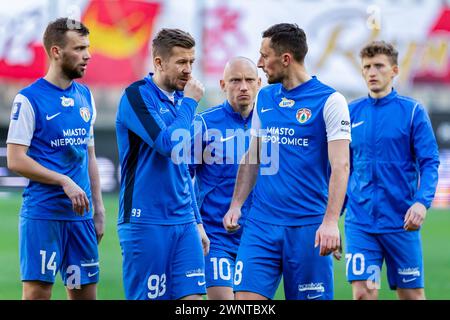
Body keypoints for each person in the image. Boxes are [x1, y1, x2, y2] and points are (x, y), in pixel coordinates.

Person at [223, 23, 351, 300]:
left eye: (264, 56)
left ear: (285, 59)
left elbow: (341, 167)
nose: (259, 64)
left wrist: (330, 222)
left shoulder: (331, 101)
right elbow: (252, 156)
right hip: (260, 224)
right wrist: (236, 204)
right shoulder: (265, 97)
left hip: (308, 228)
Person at [6, 17, 105, 300]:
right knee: (38, 293)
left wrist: (98, 209)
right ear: (56, 52)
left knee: (84, 294)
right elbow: (15, 160)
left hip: (81, 218)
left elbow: (90, 155)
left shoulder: (85, 96)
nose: (88, 55)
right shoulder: (29, 99)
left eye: (88, 47)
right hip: (44, 214)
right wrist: (63, 180)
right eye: (79, 48)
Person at [116, 28, 209, 300]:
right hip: (146, 220)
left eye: (192, 62)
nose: (188, 70)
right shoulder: (137, 96)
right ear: (158, 62)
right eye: (181, 62)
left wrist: (197, 221)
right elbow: (168, 145)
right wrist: (191, 104)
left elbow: (183, 169)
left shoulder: (182, 102)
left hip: (184, 222)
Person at [344, 41, 440, 300]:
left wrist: (421, 203)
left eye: (379, 66)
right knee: (364, 294)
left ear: (394, 70)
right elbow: (343, 168)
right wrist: (331, 218)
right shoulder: (350, 113)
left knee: (412, 296)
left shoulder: (412, 112)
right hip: (361, 223)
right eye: (367, 67)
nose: (372, 72)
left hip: (401, 223)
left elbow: (430, 162)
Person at [189, 57, 261, 300]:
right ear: (222, 84)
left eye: (249, 80)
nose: (243, 86)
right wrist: (195, 224)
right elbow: (182, 178)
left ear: (259, 83)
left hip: (258, 238)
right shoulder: (204, 124)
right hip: (216, 235)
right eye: (235, 80)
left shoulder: (269, 124)